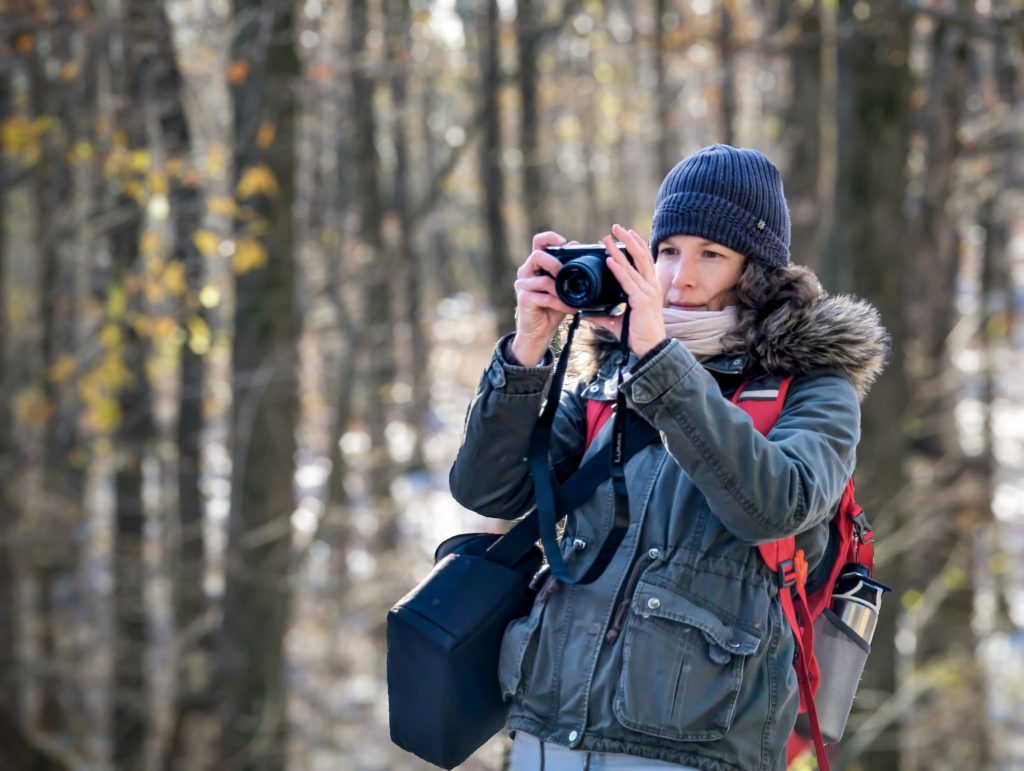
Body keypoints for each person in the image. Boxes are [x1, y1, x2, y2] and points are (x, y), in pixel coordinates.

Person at [449, 144, 890, 771]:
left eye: (711, 255)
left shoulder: (813, 385)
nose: (680, 276)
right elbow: (487, 491)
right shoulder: (609, 378)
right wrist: (529, 349)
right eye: (668, 251)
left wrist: (660, 361)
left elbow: (775, 506)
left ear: (756, 272)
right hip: (549, 732)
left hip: (694, 745)